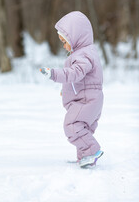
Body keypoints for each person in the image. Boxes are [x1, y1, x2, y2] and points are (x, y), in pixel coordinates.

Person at [40, 11, 104, 168]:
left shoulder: (84, 55)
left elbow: (76, 73)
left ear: (76, 37)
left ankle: (92, 151)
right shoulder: (85, 53)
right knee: (82, 129)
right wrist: (67, 90)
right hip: (88, 98)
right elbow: (80, 80)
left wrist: (54, 74)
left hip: (87, 100)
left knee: (72, 126)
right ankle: (85, 158)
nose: (63, 45)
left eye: (65, 41)